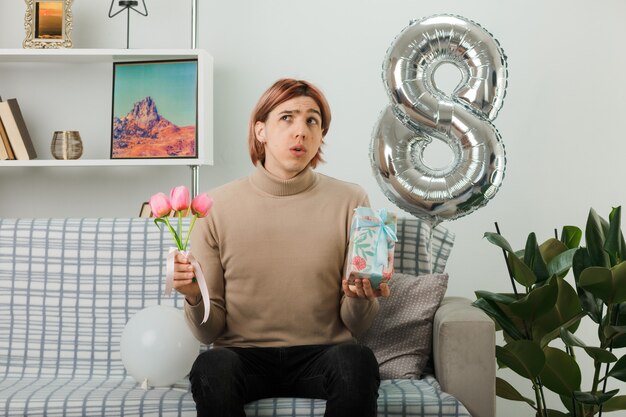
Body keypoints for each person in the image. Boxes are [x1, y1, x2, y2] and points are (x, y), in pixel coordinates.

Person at [172, 78, 389, 417]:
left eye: (312, 120)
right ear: (261, 131)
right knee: (212, 365)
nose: (300, 130)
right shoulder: (214, 206)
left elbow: (358, 328)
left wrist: (362, 299)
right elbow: (208, 332)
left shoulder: (352, 200)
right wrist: (193, 296)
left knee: (357, 360)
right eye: (287, 117)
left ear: (320, 136)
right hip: (243, 358)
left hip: (325, 355)